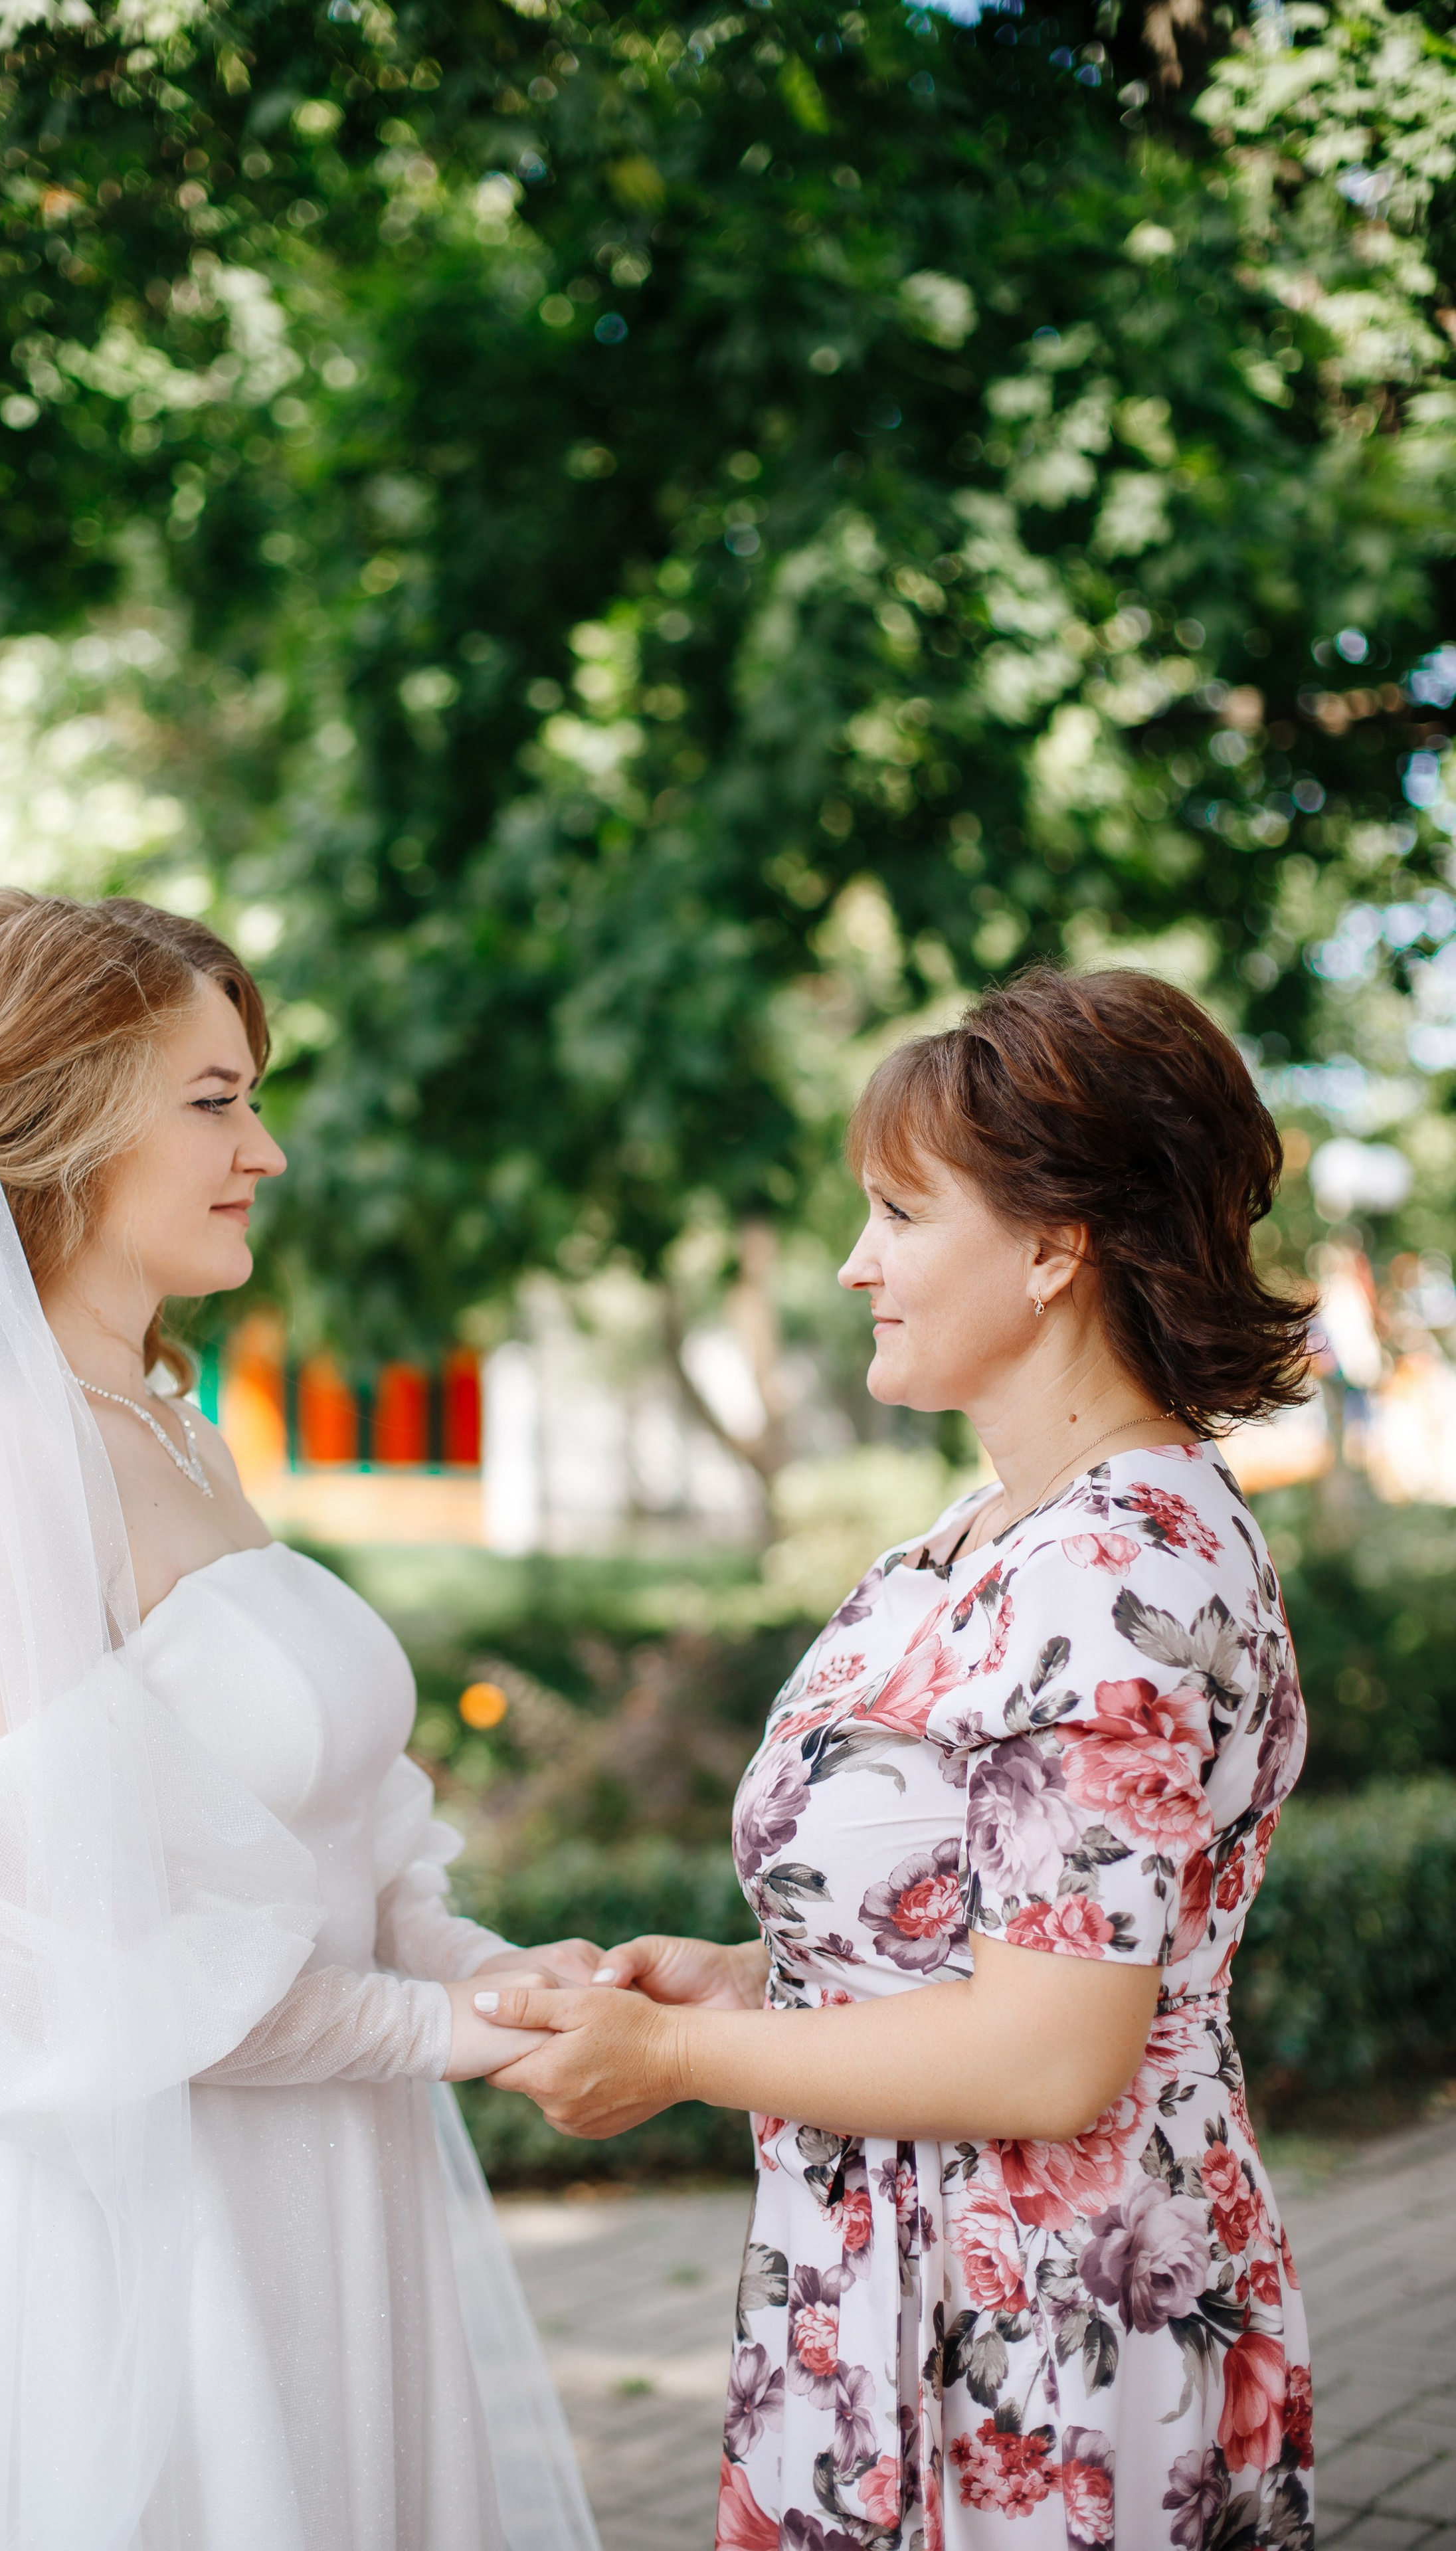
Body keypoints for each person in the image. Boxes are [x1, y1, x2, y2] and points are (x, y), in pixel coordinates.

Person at [0, 891, 604, 2551]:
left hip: (323, 2188)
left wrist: (498, 1975)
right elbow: (70, 1964)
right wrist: (446, 2035)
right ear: (66, 1123)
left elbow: (329, 1848)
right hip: (140, 2249)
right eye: (216, 1101)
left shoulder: (172, 1429)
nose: (267, 1152)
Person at [478, 967, 1317, 2551]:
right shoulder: (987, 1533)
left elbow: (1046, 2053)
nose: (854, 1263)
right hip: (895, 2285)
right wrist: (753, 1979)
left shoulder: (1115, 1572)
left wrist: (665, 2062)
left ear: (1053, 1245)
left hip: (1040, 2330)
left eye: (898, 1213)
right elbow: (990, 1929)